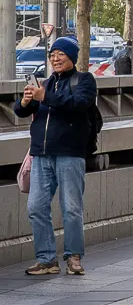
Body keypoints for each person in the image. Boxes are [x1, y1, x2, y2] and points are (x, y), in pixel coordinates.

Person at [17, 35, 97, 278]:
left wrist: (45, 97)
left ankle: (73, 256)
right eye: (52, 55)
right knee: (36, 207)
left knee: (71, 207)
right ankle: (46, 259)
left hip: (70, 154)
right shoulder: (47, 83)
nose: (55, 58)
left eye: (60, 54)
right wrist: (25, 101)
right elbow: (22, 112)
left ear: (72, 56)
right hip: (41, 154)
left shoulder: (84, 80)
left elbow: (79, 104)